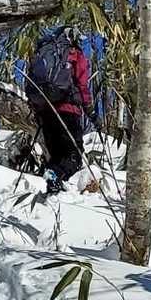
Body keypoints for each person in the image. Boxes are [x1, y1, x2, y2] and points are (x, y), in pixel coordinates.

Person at [26, 27, 92, 194]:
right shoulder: (74, 54)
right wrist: (90, 110)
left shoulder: (44, 52)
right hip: (68, 110)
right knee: (73, 155)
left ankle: (53, 185)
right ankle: (54, 176)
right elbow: (82, 84)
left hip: (46, 111)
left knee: (56, 155)